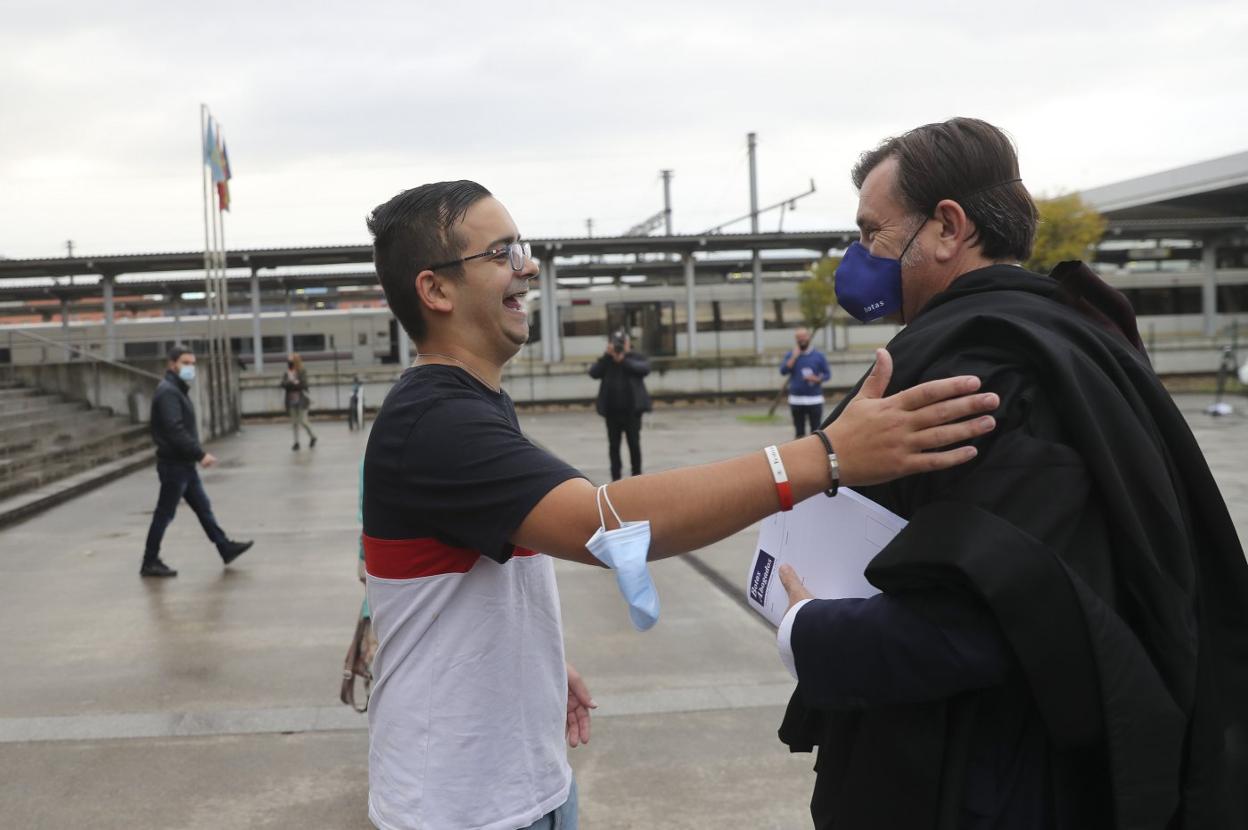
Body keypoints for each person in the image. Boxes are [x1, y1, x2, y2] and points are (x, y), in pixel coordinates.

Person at [361, 180, 1000, 830]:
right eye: (500, 252)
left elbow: (453, 578)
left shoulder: (469, 406)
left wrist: (531, 663)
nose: (525, 266)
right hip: (460, 810)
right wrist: (826, 456)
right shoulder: (433, 423)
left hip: (525, 787)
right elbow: (601, 522)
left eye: (518, 247)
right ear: (436, 290)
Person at [775, 117, 1248, 829]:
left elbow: (982, 621)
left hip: (978, 779)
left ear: (947, 227)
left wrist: (805, 630)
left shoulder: (985, 372)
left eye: (872, 232)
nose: (859, 255)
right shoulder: (1071, 333)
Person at [140, 345, 253, 578]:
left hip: (183, 465)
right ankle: (150, 560)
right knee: (164, 514)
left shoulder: (176, 389)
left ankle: (224, 547)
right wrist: (199, 454)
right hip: (175, 465)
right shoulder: (169, 392)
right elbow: (175, 430)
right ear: (172, 365)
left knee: (204, 509)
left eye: (192, 363)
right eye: (185, 363)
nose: (190, 367)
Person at [588, 330, 651, 480]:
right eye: (616, 343)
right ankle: (615, 479)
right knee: (613, 446)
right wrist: (607, 355)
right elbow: (593, 373)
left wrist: (623, 359)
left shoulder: (636, 357)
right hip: (612, 412)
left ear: (629, 344)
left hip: (632, 412)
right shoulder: (607, 360)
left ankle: (637, 477)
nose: (619, 347)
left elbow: (644, 369)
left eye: (622, 343)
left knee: (634, 445)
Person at [780, 326, 831, 437]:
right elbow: (783, 371)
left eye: (803, 336)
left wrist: (817, 379)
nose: (801, 339)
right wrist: (793, 357)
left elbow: (827, 375)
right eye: (798, 337)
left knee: (816, 432)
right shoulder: (791, 355)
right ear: (796, 339)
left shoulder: (819, 356)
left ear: (808, 337)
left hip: (815, 399)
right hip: (796, 400)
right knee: (799, 433)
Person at [281, 353, 317, 450]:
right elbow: (283, 384)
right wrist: (292, 383)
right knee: (294, 422)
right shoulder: (287, 373)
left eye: (291, 361)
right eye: (288, 361)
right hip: (291, 400)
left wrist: (293, 384)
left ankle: (313, 436)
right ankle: (296, 442)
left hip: (302, 400)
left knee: (303, 421)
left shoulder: (302, 371)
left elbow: (304, 385)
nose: (289, 363)